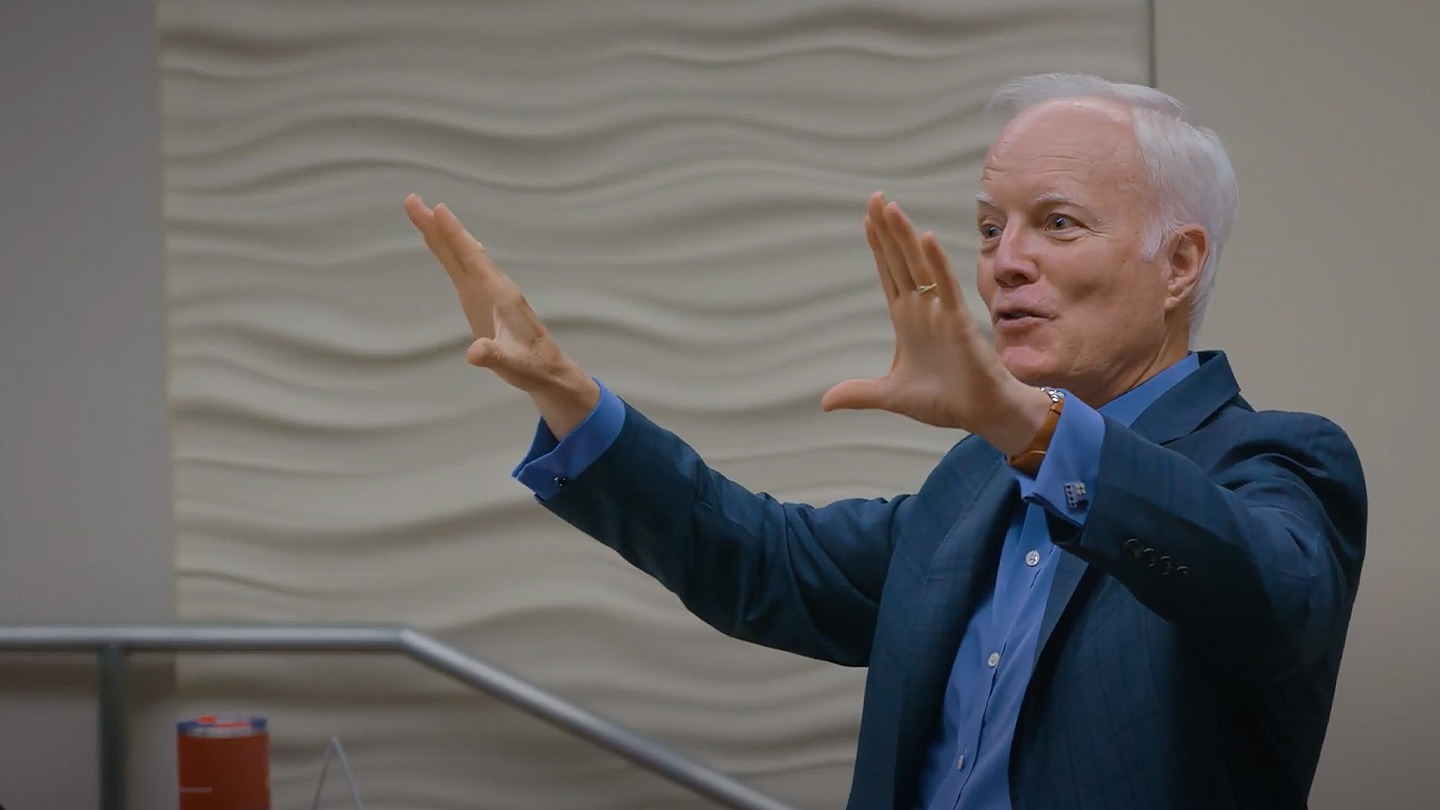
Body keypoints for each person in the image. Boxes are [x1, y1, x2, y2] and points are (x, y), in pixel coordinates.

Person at [401, 73, 1367, 810]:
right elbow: (762, 563)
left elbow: (1271, 599)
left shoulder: (1278, 463)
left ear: (1180, 263)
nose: (1006, 262)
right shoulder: (974, 486)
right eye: (989, 228)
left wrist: (1029, 427)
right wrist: (569, 396)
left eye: (1057, 224)